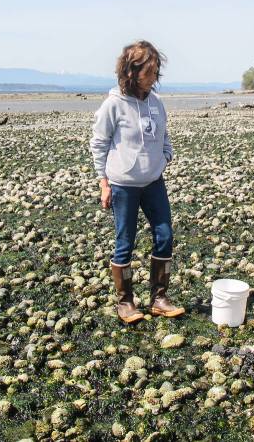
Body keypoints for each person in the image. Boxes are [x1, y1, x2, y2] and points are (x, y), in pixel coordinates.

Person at [90, 40, 184, 324]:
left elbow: (164, 135)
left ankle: (159, 298)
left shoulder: (156, 103)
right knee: (124, 242)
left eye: (156, 71)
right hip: (123, 185)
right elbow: (98, 143)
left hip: (154, 182)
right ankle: (125, 301)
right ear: (132, 72)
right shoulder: (113, 105)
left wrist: (165, 157)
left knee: (165, 235)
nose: (154, 77)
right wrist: (103, 183)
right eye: (150, 71)